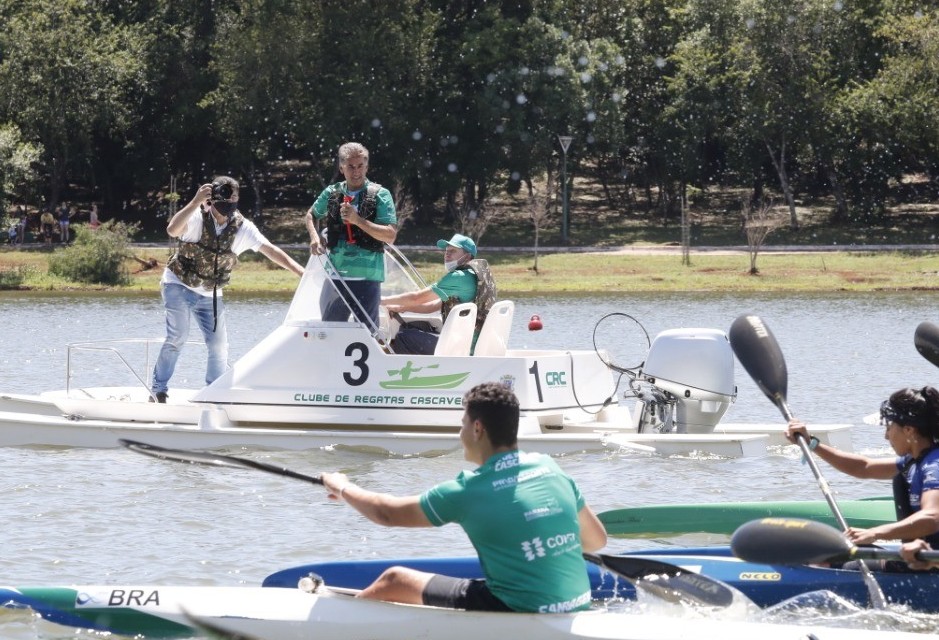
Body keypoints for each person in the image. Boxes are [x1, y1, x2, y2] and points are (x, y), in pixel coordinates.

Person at [320, 382, 608, 612]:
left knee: (394, 580)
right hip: (576, 604)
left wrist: (343, 486)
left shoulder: (468, 491)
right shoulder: (550, 468)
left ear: (478, 428)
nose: (460, 433)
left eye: (462, 423)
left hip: (519, 609)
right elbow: (596, 541)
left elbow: (387, 513)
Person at [150, 176, 305, 403]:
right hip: (178, 284)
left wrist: (303, 273)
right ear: (212, 197)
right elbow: (173, 230)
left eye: (233, 197)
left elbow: (270, 251)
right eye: (224, 196)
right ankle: (158, 389)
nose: (229, 202)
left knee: (219, 345)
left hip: (209, 294)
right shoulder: (196, 218)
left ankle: (213, 392)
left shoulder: (243, 228)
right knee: (178, 336)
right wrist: (194, 202)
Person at [786, 386, 939, 570]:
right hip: (914, 557)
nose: (886, 435)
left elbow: (933, 517)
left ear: (908, 430)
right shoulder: (913, 461)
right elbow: (863, 467)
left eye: (889, 427)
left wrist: (874, 533)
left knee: (844, 566)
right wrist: (812, 443)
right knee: (827, 549)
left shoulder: (934, 465)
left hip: (929, 562)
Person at [305, 142, 396, 330]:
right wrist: (314, 237)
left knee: (367, 336)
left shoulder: (381, 194)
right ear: (341, 168)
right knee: (330, 333)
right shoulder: (332, 192)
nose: (356, 172)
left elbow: (390, 235)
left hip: (368, 279)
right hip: (336, 277)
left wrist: (358, 220)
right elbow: (310, 215)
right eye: (351, 167)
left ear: (367, 166)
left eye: (360, 166)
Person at [380, 233, 496, 355]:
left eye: (453, 251)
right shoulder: (472, 277)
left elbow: (417, 298)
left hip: (461, 347)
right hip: (470, 344)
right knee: (416, 330)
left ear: (467, 257)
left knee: (403, 337)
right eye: (446, 251)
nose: (447, 254)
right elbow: (434, 305)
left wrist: (380, 300)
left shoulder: (458, 277)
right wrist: (401, 308)